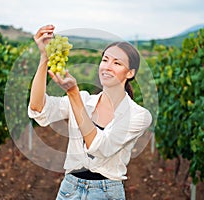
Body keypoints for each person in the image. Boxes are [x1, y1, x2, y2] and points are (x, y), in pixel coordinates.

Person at [28, 24, 152, 200]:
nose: (107, 67)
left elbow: (99, 148)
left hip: (107, 193)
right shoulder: (85, 100)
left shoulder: (139, 116)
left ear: (130, 73)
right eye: (105, 60)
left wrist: (73, 93)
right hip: (69, 189)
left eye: (117, 63)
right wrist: (44, 58)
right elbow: (37, 108)